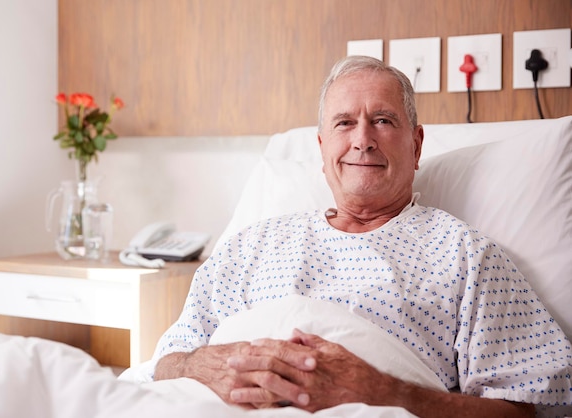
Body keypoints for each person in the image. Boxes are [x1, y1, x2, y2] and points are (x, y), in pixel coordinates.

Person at [152, 56, 572, 417]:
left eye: (383, 121)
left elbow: (524, 407)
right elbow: (166, 363)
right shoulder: (252, 245)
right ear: (322, 148)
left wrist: (385, 393)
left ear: (416, 145)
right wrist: (208, 366)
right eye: (344, 123)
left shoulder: (466, 256)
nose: (362, 140)